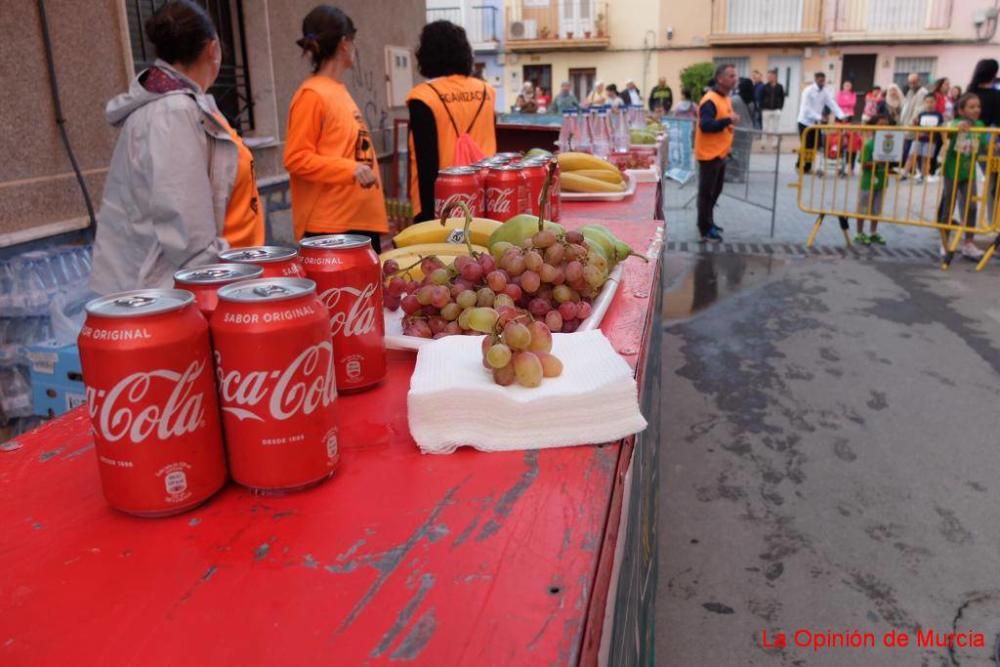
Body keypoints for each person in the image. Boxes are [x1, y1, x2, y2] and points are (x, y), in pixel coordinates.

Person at [89, 0, 264, 295]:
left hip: (196, 287)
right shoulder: (172, 113)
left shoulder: (186, 105)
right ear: (213, 49)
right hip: (177, 294)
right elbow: (189, 239)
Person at [284, 6, 387, 247]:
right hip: (333, 227)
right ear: (344, 43)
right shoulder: (312, 94)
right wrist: (349, 169)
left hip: (357, 221)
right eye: (354, 41)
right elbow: (296, 158)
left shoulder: (337, 90)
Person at [405, 20, 497, 223]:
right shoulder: (486, 92)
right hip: (487, 197)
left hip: (443, 201)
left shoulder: (423, 97)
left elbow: (425, 162)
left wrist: (427, 217)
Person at [937, 93, 988, 260]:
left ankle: (968, 243)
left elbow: (987, 141)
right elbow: (945, 129)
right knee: (948, 206)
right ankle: (944, 242)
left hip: (969, 171)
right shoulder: (957, 123)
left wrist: (993, 144)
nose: (976, 110)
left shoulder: (980, 124)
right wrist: (955, 128)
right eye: (972, 107)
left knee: (971, 207)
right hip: (952, 170)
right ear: (961, 110)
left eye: (978, 106)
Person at [694, 64, 739, 243]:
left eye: (735, 76)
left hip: (720, 154)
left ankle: (709, 222)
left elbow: (721, 123)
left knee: (715, 191)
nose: (734, 79)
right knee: (706, 193)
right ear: (720, 79)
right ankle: (704, 228)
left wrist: (728, 123)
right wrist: (728, 120)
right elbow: (705, 125)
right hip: (709, 155)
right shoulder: (710, 100)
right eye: (731, 76)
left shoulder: (725, 98)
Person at [968, 59, 1000, 231]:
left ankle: (946, 216)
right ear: (994, 74)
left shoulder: (970, 92)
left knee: (961, 176)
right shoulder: (996, 95)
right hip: (990, 140)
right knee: (994, 183)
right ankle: (992, 222)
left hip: (969, 137)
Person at [852, 113, 892, 246]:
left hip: (881, 181)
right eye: (880, 125)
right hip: (868, 182)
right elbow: (863, 163)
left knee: (876, 209)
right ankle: (859, 233)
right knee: (863, 207)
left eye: (886, 125)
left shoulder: (889, 144)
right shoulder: (869, 144)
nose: (884, 127)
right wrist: (876, 162)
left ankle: (873, 233)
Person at [796, 72, 846, 173]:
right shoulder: (808, 91)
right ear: (815, 79)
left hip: (815, 123)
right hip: (804, 122)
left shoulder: (825, 92)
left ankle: (808, 167)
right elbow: (806, 109)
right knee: (806, 145)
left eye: (823, 80)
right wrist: (820, 117)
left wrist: (841, 115)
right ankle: (800, 165)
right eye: (820, 80)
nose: (822, 82)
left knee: (815, 145)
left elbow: (832, 104)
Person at [901, 95, 943, 183]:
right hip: (918, 138)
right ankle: (904, 174)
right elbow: (916, 125)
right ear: (924, 103)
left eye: (931, 102)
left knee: (925, 158)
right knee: (911, 156)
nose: (929, 104)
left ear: (935, 103)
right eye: (927, 102)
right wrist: (915, 123)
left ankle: (922, 176)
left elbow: (940, 127)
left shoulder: (938, 115)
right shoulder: (921, 114)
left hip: (931, 140)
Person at [899, 72, 929, 164]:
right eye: (910, 82)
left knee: (912, 151)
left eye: (914, 82)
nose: (912, 85)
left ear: (919, 81)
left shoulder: (923, 92)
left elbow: (919, 109)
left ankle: (914, 170)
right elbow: (905, 107)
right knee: (907, 149)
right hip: (906, 126)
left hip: (914, 126)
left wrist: (912, 122)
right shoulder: (910, 92)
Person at [759, 68, 785, 150]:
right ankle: (763, 143)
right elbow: (761, 97)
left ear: (774, 76)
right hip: (766, 109)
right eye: (768, 76)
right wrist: (762, 107)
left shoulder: (780, 87)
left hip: (776, 109)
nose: (769, 77)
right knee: (765, 127)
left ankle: (775, 144)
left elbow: (782, 98)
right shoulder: (764, 87)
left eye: (770, 76)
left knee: (776, 127)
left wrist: (780, 108)